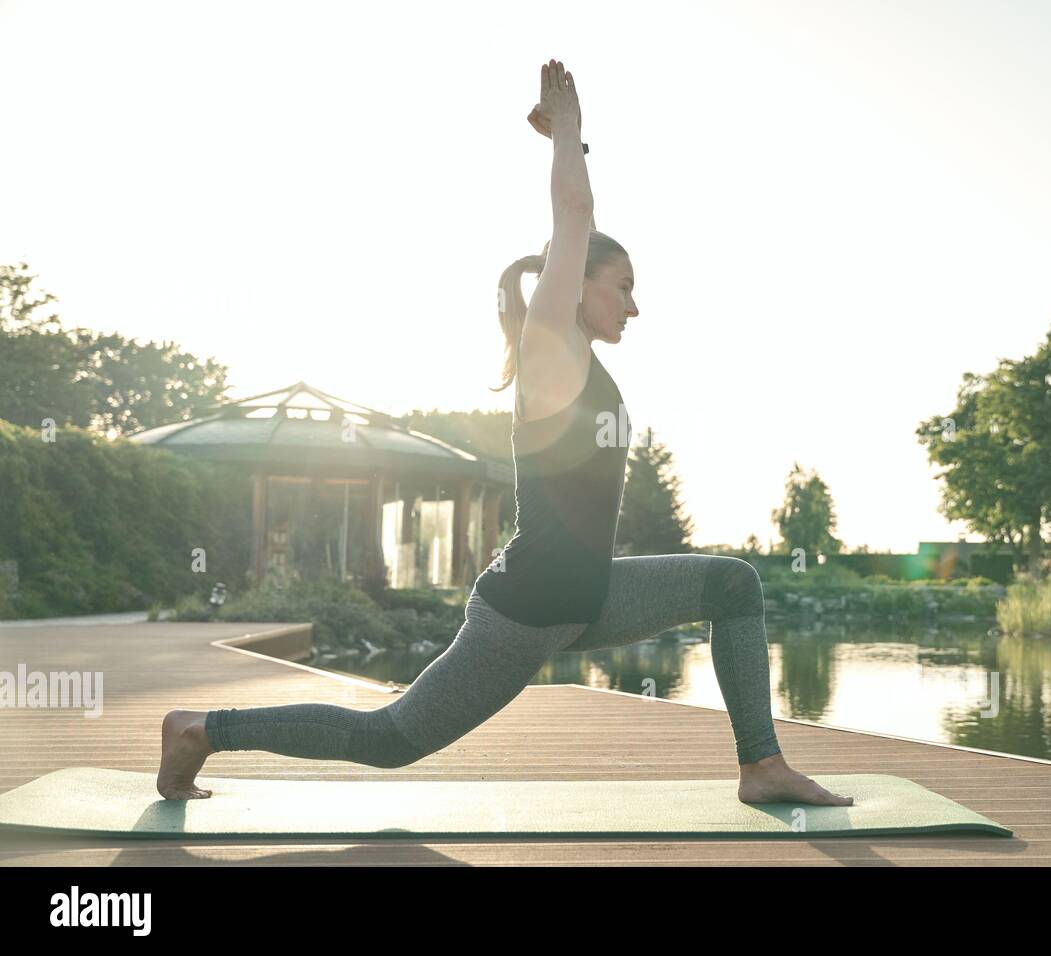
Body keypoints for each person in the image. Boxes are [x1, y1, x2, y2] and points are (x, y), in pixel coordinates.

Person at [156, 59, 852, 808]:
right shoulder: (551, 356)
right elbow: (574, 215)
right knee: (391, 740)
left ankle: (761, 766)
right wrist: (570, 135)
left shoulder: (585, 364)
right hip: (527, 610)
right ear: (573, 283)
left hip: (588, 596)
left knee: (732, 584)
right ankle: (200, 730)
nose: (635, 307)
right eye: (623, 287)